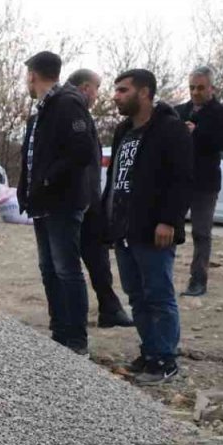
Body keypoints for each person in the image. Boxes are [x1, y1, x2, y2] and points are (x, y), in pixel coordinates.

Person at [105, 68, 194, 385]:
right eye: (116, 90)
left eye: (123, 90)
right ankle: (150, 353)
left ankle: (166, 360)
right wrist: (108, 221)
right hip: (124, 227)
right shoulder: (122, 131)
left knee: (159, 294)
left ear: (144, 93)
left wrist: (168, 220)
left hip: (154, 228)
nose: (116, 96)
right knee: (137, 296)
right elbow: (114, 179)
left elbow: (183, 180)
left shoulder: (170, 129)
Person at [18, 51, 96, 355]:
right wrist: (27, 190)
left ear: (33, 75)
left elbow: (81, 152)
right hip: (41, 204)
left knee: (66, 270)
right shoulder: (39, 111)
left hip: (62, 203)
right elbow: (31, 157)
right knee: (48, 268)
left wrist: (48, 180)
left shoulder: (67, 102)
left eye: (27, 76)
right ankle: (59, 335)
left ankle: (76, 342)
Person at [67, 68, 134, 329]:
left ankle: (110, 307)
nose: (98, 95)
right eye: (97, 88)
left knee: (95, 254)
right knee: (79, 258)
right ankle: (95, 311)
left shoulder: (76, 109)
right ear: (85, 87)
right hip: (81, 199)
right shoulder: (73, 110)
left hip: (86, 198)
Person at [175, 65, 223, 297]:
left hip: (205, 183)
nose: (195, 92)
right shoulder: (178, 111)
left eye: (200, 87)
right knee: (168, 228)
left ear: (212, 88)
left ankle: (198, 280)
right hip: (178, 181)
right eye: (192, 87)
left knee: (201, 233)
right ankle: (160, 274)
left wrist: (196, 132)